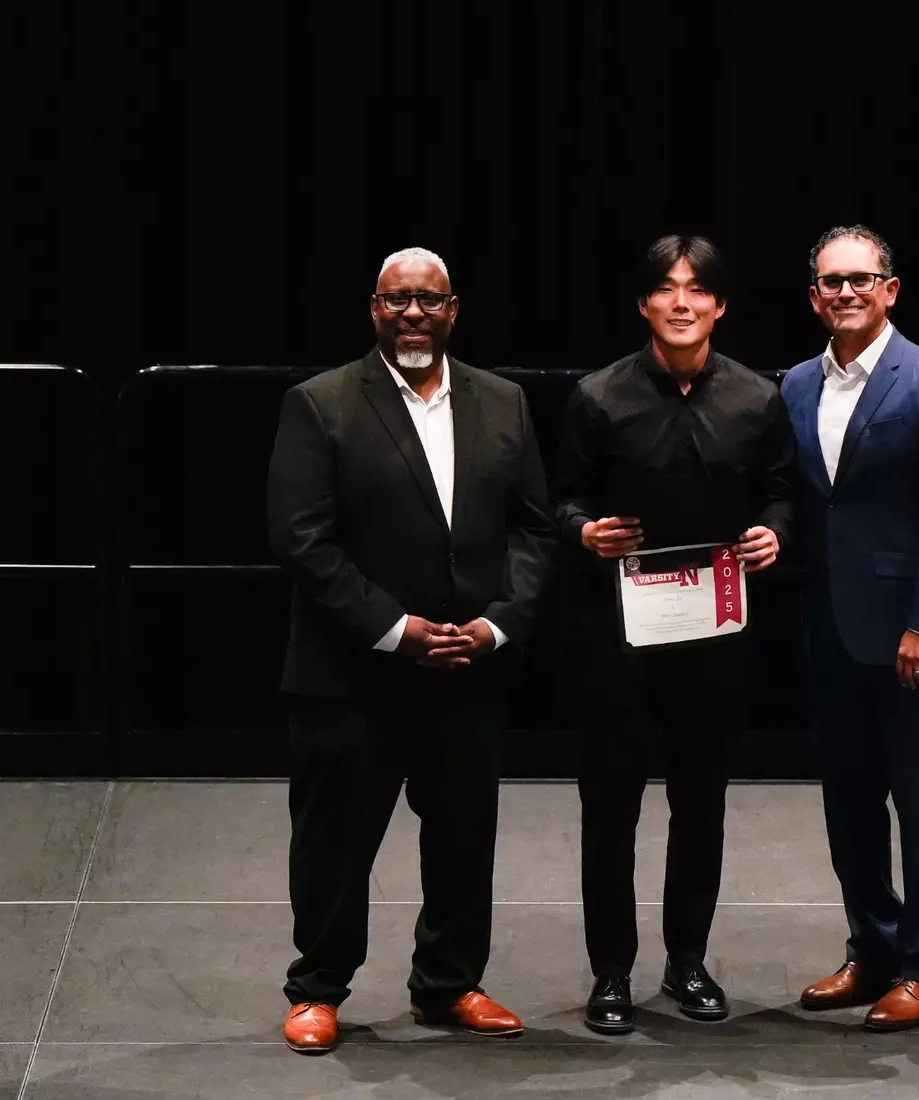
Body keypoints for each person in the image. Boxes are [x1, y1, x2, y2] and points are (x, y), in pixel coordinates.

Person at [266, 246, 557, 1054]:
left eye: (430, 300)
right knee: (334, 845)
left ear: (453, 310)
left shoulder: (503, 401)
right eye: (399, 301)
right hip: (352, 673)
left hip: (468, 669)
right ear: (375, 309)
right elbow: (302, 541)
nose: (414, 314)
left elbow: (535, 530)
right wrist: (396, 629)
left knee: (463, 837)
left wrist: (498, 623)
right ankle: (317, 988)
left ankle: (449, 983)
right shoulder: (320, 402)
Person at [552, 234, 796, 1034]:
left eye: (697, 289)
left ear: (720, 305)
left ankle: (687, 959)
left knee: (701, 803)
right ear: (643, 303)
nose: (681, 302)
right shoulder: (596, 398)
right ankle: (611, 972)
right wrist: (585, 531)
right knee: (609, 808)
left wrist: (774, 532)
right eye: (666, 287)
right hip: (617, 635)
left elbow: (782, 492)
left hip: (714, 633)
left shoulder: (758, 398)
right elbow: (559, 500)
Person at [780, 225, 919, 1032]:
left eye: (860, 279)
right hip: (832, 630)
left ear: (890, 290)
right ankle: (872, 950)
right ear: (814, 297)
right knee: (852, 806)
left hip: (916, 640)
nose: (846, 292)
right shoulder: (797, 384)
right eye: (831, 281)